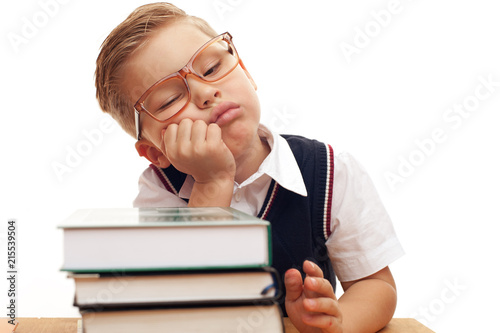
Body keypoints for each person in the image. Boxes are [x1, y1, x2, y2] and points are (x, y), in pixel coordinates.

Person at [95, 3, 404, 332]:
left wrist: (337, 324)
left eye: (212, 67)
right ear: (155, 153)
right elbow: (172, 307)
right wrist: (212, 182)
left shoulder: (330, 172)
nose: (205, 92)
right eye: (170, 100)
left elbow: (376, 286)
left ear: (245, 69)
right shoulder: (159, 194)